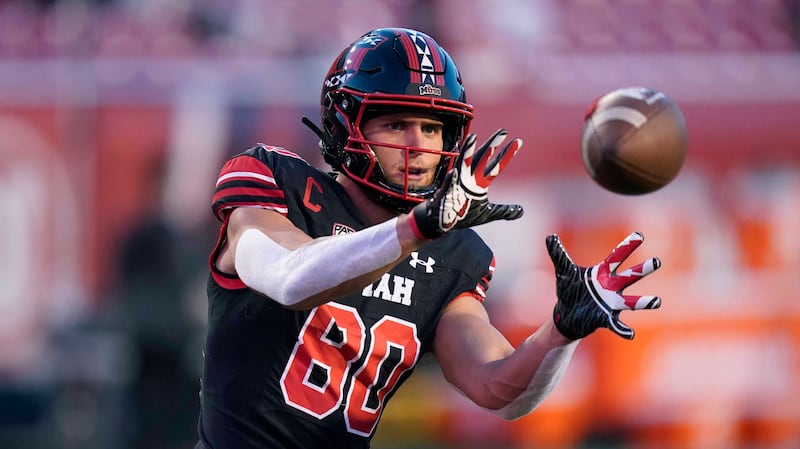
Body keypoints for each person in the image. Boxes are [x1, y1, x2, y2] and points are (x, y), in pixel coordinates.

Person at [195, 27, 662, 449]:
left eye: (433, 127)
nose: (418, 145)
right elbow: (288, 278)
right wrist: (417, 227)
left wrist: (559, 333)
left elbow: (497, 389)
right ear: (345, 123)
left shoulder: (452, 251)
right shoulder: (277, 183)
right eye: (396, 123)